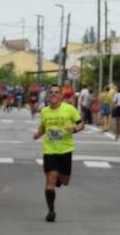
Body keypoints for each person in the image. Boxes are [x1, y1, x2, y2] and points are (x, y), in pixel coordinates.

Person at [32, 83, 84, 222]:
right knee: (50, 178)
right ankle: (51, 211)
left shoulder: (69, 109)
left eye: (56, 92)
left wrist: (74, 129)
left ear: (61, 95)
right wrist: (38, 134)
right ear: (48, 96)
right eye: (51, 92)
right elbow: (43, 128)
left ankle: (59, 180)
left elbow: (81, 123)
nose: (53, 94)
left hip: (65, 149)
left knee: (65, 181)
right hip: (49, 150)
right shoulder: (44, 111)